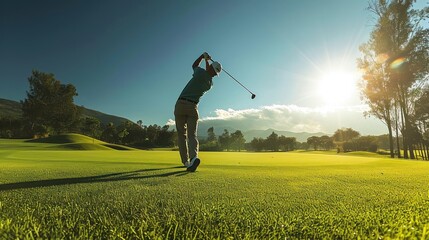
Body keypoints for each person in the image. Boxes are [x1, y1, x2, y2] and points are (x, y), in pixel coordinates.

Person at [175, 52, 222, 172]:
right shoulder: (210, 84)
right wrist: (207, 60)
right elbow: (209, 73)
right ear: (215, 73)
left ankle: (185, 161)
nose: (215, 75)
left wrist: (202, 57)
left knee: (182, 135)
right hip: (193, 108)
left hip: (181, 104)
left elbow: (194, 65)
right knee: (192, 135)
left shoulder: (200, 73)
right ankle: (194, 158)